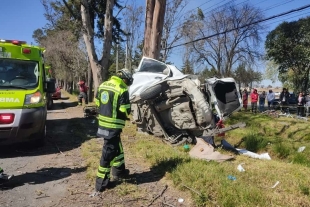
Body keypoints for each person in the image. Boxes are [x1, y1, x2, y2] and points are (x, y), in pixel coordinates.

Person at [94, 69, 133, 192]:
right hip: (113, 126)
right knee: (108, 154)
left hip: (103, 124)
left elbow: (97, 101)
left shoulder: (103, 85)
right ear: (125, 79)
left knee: (118, 148)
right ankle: (101, 184)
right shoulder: (122, 89)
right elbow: (125, 110)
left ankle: (119, 171)